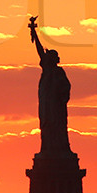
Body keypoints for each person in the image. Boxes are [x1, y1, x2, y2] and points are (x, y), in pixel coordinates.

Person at [29, 17, 72, 155]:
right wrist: (34, 33)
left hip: (56, 106)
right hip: (46, 105)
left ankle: (59, 149)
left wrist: (61, 96)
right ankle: (47, 148)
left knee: (57, 126)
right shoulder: (48, 70)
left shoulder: (58, 72)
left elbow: (66, 88)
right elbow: (40, 51)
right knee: (46, 126)